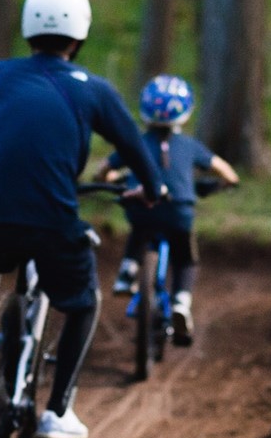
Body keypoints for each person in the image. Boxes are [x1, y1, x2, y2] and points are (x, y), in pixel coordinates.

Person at [0, 0, 165, 438]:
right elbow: (135, 148)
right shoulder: (95, 89)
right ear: (80, 33)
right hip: (52, 222)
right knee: (84, 303)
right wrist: (152, 189)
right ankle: (58, 411)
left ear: (27, 26)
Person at [101, 74, 239, 346]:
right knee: (185, 257)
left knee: (139, 228)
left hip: (142, 205)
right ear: (185, 111)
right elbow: (227, 172)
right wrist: (222, 184)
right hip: (179, 210)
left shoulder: (136, 142)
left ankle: (128, 270)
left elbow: (103, 169)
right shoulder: (190, 145)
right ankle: (181, 303)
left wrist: (112, 180)